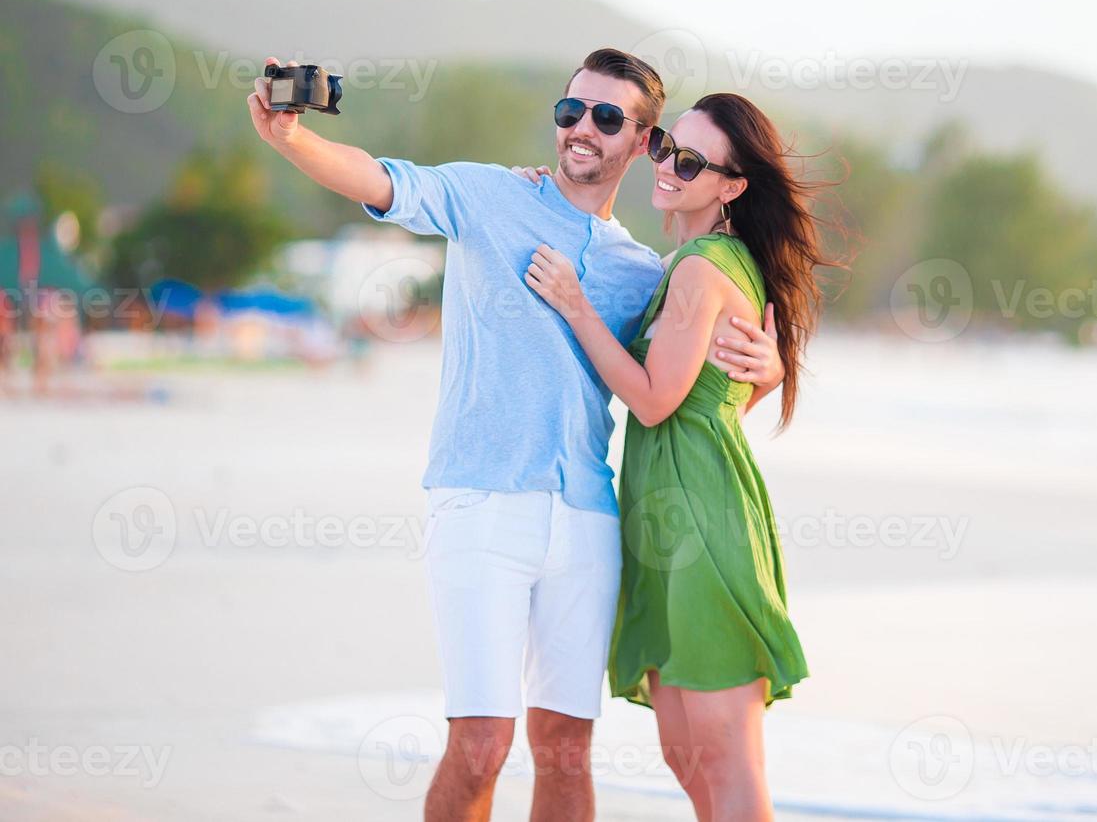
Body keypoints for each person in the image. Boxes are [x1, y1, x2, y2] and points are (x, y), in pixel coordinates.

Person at [245, 49, 786, 822]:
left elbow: (693, 385)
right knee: (481, 745)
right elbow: (381, 179)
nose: (581, 130)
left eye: (606, 118)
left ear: (642, 141)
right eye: (571, 111)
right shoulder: (488, 195)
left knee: (566, 752)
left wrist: (765, 370)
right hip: (480, 502)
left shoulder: (646, 271)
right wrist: (290, 139)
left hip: (589, 518)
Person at [523, 92, 836, 822]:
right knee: (688, 754)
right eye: (665, 147)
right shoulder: (698, 263)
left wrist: (575, 305)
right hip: (665, 517)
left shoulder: (702, 265)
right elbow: (724, 395)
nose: (666, 166)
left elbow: (658, 400)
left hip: (700, 516)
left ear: (730, 186)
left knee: (723, 759)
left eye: (690, 162)